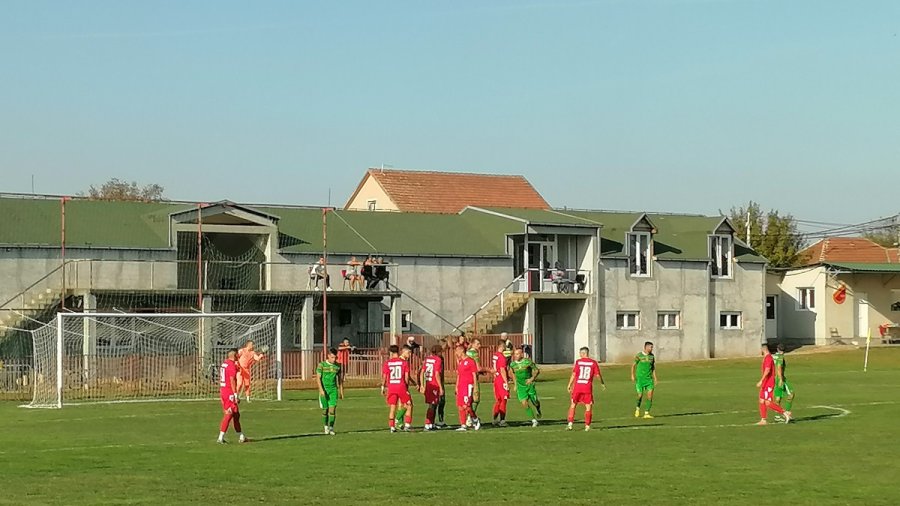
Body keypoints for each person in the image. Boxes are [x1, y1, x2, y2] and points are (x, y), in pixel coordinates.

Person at [567, 347, 605, 431]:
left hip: (577, 387)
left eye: (580, 353)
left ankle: (570, 424)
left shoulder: (578, 362)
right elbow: (598, 375)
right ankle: (587, 426)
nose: (579, 355)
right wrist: (602, 383)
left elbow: (574, 374)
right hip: (587, 387)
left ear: (584, 353)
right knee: (588, 406)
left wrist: (569, 384)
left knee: (573, 404)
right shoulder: (593, 363)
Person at [381, 344, 413, 432]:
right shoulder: (404, 362)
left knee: (392, 407)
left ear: (390, 353)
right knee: (408, 404)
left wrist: (383, 387)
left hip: (391, 387)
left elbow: (384, 376)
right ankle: (405, 424)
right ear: (399, 351)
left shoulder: (388, 363)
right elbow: (406, 377)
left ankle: (392, 427)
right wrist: (406, 388)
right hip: (401, 386)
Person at [757, 344, 792, 425]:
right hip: (765, 383)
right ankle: (763, 420)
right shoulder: (766, 357)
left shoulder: (769, 358)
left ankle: (784, 413)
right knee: (761, 400)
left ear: (763, 350)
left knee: (768, 402)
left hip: (768, 383)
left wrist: (761, 380)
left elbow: (768, 370)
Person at [217, 348, 246, 444]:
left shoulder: (224, 363)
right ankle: (220, 437)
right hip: (229, 392)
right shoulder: (231, 365)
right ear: (235, 355)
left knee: (236, 414)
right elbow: (232, 380)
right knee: (229, 414)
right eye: (238, 355)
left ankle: (241, 436)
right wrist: (235, 394)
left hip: (223, 391)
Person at [509, 347, 541, 427]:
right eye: (515, 354)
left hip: (529, 385)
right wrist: (515, 384)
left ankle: (538, 409)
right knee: (524, 403)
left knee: (535, 401)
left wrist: (532, 379)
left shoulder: (527, 362)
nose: (516, 356)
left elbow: (537, 370)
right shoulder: (512, 364)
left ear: (521, 354)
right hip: (520, 387)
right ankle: (534, 420)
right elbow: (512, 374)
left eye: (517, 354)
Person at [316, 348, 344, 435]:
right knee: (325, 410)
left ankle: (331, 428)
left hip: (333, 390)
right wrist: (321, 390)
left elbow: (340, 380)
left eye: (335, 358)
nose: (334, 359)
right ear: (328, 356)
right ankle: (325, 427)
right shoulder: (322, 365)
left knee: (332, 410)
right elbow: (318, 378)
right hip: (324, 390)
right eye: (332, 357)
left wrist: (341, 391)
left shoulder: (338, 366)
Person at [455, 345, 481, 431]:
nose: (456, 353)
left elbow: (474, 374)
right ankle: (463, 425)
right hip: (461, 386)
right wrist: (456, 386)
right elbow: (459, 375)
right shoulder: (461, 362)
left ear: (461, 351)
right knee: (460, 406)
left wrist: (475, 386)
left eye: (457, 351)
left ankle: (475, 419)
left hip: (468, 386)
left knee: (467, 406)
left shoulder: (470, 361)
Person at [419, 344, 445, 431]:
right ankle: (427, 423)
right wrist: (441, 387)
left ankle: (432, 423)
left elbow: (422, 372)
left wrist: (422, 385)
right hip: (434, 385)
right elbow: (437, 374)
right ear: (439, 352)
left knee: (434, 404)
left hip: (428, 384)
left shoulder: (427, 359)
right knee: (432, 405)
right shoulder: (438, 360)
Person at [631, 341, 657, 419]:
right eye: (651, 347)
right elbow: (633, 365)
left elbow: (653, 367)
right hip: (640, 379)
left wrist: (655, 377)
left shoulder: (652, 356)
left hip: (649, 380)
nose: (652, 349)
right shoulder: (639, 355)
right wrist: (632, 375)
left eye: (652, 347)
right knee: (640, 395)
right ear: (646, 347)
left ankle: (646, 412)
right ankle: (637, 408)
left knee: (650, 396)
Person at [773, 343, 795, 422]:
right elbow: (779, 367)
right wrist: (781, 379)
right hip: (780, 379)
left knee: (778, 398)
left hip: (774, 379)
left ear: (777, 349)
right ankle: (787, 412)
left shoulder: (774, 356)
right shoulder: (781, 358)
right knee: (791, 394)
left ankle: (777, 416)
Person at [491, 341, 510, 426]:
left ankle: (494, 419)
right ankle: (502, 420)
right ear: (502, 346)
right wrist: (506, 382)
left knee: (498, 400)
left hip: (496, 378)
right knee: (503, 400)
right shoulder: (501, 357)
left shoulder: (495, 355)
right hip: (501, 380)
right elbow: (502, 369)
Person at [465, 338, 483, 426]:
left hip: (465, 378)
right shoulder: (474, 353)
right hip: (473, 378)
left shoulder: (466, 353)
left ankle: (468, 418)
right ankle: (470, 418)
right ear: (472, 344)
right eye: (477, 344)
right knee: (476, 399)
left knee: (468, 399)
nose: (479, 346)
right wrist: (489, 370)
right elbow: (478, 368)